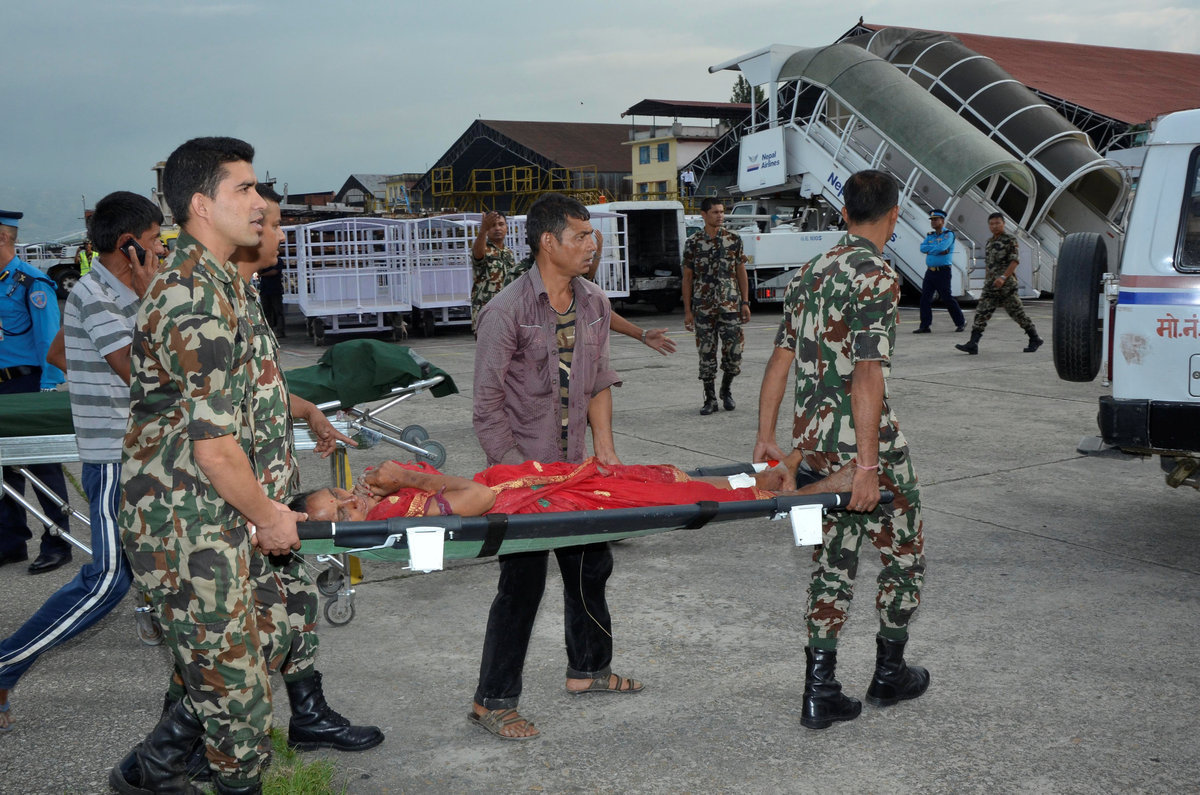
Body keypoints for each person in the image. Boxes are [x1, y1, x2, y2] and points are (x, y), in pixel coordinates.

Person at [111, 138, 377, 795]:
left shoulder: (227, 281)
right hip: (188, 525)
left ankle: (154, 766)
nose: (260, 203)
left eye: (259, 191)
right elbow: (214, 447)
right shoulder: (192, 295)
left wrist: (279, 503)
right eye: (245, 190)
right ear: (201, 205)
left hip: (230, 514)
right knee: (239, 711)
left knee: (258, 644)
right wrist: (271, 517)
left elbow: (249, 405)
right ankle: (184, 770)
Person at [754, 170, 929, 731]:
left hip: (813, 450)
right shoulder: (877, 275)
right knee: (903, 556)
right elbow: (868, 375)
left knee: (832, 559)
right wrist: (871, 467)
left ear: (845, 212)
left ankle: (820, 690)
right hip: (862, 448)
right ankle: (889, 673)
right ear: (894, 215)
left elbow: (779, 359)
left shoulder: (810, 271)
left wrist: (765, 436)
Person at [469, 192, 640, 741]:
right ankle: (492, 700)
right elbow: (486, 405)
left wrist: (606, 450)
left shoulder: (592, 301)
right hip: (523, 473)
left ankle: (588, 670)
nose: (592, 246)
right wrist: (517, 475)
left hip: (576, 469)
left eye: (592, 236)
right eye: (581, 237)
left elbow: (597, 380)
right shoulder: (508, 310)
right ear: (548, 243)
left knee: (591, 567)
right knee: (522, 585)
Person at [0, 193, 163, 734]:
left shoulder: (106, 293)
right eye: (157, 240)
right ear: (130, 246)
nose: (162, 250)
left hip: (138, 452)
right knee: (108, 579)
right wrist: (150, 296)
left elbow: (59, 356)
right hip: (116, 456)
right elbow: (142, 375)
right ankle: (4, 664)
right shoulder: (99, 293)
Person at [295, 450, 853, 522]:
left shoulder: (380, 505)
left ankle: (759, 477)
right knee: (667, 496)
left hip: (530, 482)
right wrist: (408, 477)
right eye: (340, 509)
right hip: (536, 499)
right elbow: (477, 500)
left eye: (340, 492)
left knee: (643, 474)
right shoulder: (390, 518)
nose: (352, 497)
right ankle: (787, 490)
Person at [0, 209, 73, 575]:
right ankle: (10, 542)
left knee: (43, 466)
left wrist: (46, 389)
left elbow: (48, 340)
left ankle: (58, 540)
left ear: (2, 239)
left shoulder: (32, 283)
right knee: (2, 469)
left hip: (27, 385)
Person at [682, 197, 751, 415]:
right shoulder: (693, 242)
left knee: (734, 352)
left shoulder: (734, 239)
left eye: (722, 212)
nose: (720, 216)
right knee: (706, 354)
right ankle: (710, 398)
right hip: (703, 307)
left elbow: (741, 271)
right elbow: (687, 278)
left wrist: (745, 302)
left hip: (730, 305)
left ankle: (726, 390)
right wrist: (687, 311)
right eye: (715, 212)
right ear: (704, 214)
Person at [955, 212, 1043, 354]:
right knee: (981, 312)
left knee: (1017, 313)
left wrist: (1003, 277)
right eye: (992, 224)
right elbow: (989, 265)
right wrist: (987, 281)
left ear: (1003, 224)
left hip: (1006, 285)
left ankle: (1035, 338)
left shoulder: (1010, 240)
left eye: (997, 223)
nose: (994, 226)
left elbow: (1014, 261)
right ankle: (973, 343)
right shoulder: (989, 242)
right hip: (991, 285)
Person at [913, 209, 965, 334]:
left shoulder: (948, 235)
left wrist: (931, 249)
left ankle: (960, 322)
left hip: (943, 272)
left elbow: (943, 247)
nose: (933, 222)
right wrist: (936, 250)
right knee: (925, 298)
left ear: (942, 220)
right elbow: (922, 248)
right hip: (930, 272)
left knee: (947, 298)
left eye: (936, 219)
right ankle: (925, 325)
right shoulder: (930, 235)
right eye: (932, 220)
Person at [469, 211, 521, 334]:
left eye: (501, 224)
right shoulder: (483, 248)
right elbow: (478, 255)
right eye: (493, 225)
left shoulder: (509, 253)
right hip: (487, 313)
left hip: (507, 313)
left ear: (507, 227)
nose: (497, 228)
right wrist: (483, 230)